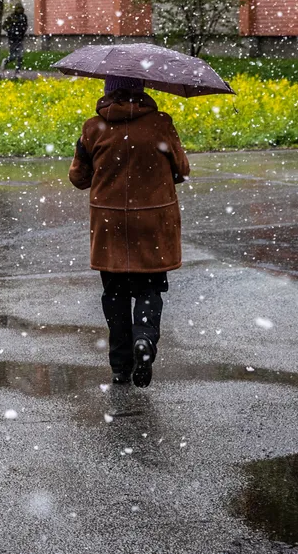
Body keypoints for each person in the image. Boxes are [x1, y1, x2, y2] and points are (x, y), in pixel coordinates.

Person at [68, 75, 191, 387]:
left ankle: (120, 367)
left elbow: (79, 179)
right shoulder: (160, 124)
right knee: (150, 289)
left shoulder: (93, 128)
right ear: (143, 91)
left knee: (115, 295)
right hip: (152, 222)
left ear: (108, 92)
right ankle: (145, 340)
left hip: (110, 225)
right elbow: (182, 170)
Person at [4, 3, 29, 71]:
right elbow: (4, 26)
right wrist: (10, 31)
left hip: (20, 39)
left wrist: (22, 32)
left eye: (20, 8)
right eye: (18, 8)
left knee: (20, 56)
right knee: (13, 56)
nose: (19, 10)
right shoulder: (11, 17)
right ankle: (5, 61)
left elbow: (25, 26)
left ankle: (18, 71)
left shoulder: (24, 17)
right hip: (12, 39)